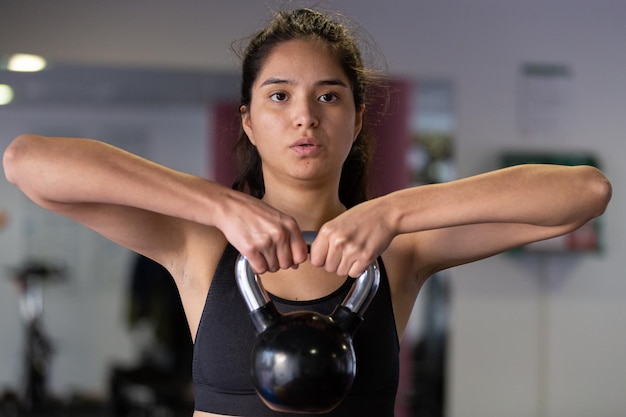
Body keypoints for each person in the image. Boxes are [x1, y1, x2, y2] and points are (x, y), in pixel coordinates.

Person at [2, 7, 612, 417]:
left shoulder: (399, 251)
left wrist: (395, 212)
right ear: (247, 120)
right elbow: (28, 163)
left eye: (329, 95)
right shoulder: (201, 244)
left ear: (356, 117)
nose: (305, 116)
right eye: (279, 96)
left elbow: (584, 194)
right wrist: (219, 204)